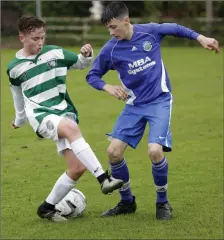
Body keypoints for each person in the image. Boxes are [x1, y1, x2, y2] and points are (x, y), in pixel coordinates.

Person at [86, 1, 219, 220]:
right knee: (113, 152)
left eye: (113, 27)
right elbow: (92, 75)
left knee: (155, 151)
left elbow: (176, 28)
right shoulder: (111, 49)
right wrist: (108, 87)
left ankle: (162, 202)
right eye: (108, 29)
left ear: (126, 21)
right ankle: (127, 202)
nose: (111, 32)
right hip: (134, 105)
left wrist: (201, 38)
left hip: (159, 101)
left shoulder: (150, 33)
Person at [7, 15, 124, 222]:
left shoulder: (55, 52)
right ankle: (104, 179)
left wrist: (86, 55)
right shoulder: (14, 68)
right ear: (22, 38)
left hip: (62, 112)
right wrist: (19, 120)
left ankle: (46, 208)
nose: (40, 42)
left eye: (42, 37)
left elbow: (80, 63)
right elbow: (18, 97)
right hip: (40, 116)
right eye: (35, 39)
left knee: (77, 169)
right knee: (70, 128)